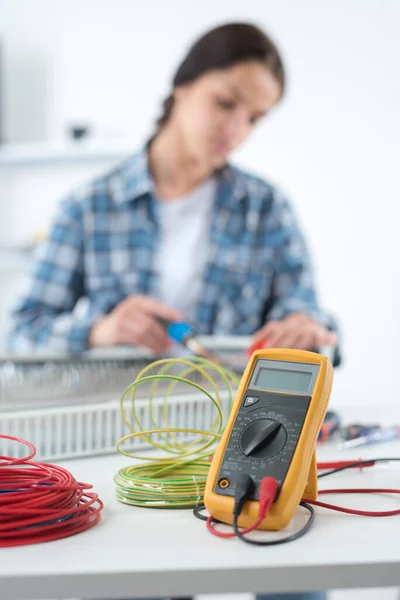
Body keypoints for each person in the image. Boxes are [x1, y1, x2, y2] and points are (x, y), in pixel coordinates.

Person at [7, 22, 338, 600]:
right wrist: (101, 328)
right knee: (148, 581)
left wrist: (310, 328)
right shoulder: (87, 207)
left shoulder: (267, 208)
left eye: (254, 118)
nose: (235, 130)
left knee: (295, 576)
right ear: (182, 86)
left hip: (250, 438)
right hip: (131, 451)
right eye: (226, 103)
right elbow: (19, 333)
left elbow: (312, 316)